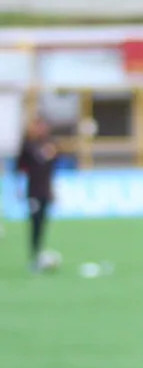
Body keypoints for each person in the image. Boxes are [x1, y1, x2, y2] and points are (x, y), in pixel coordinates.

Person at [16, 115, 59, 272]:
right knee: (35, 223)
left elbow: (52, 168)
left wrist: (53, 190)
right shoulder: (28, 145)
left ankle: (40, 253)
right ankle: (34, 256)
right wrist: (19, 187)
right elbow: (20, 167)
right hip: (33, 190)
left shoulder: (51, 144)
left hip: (45, 190)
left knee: (43, 223)